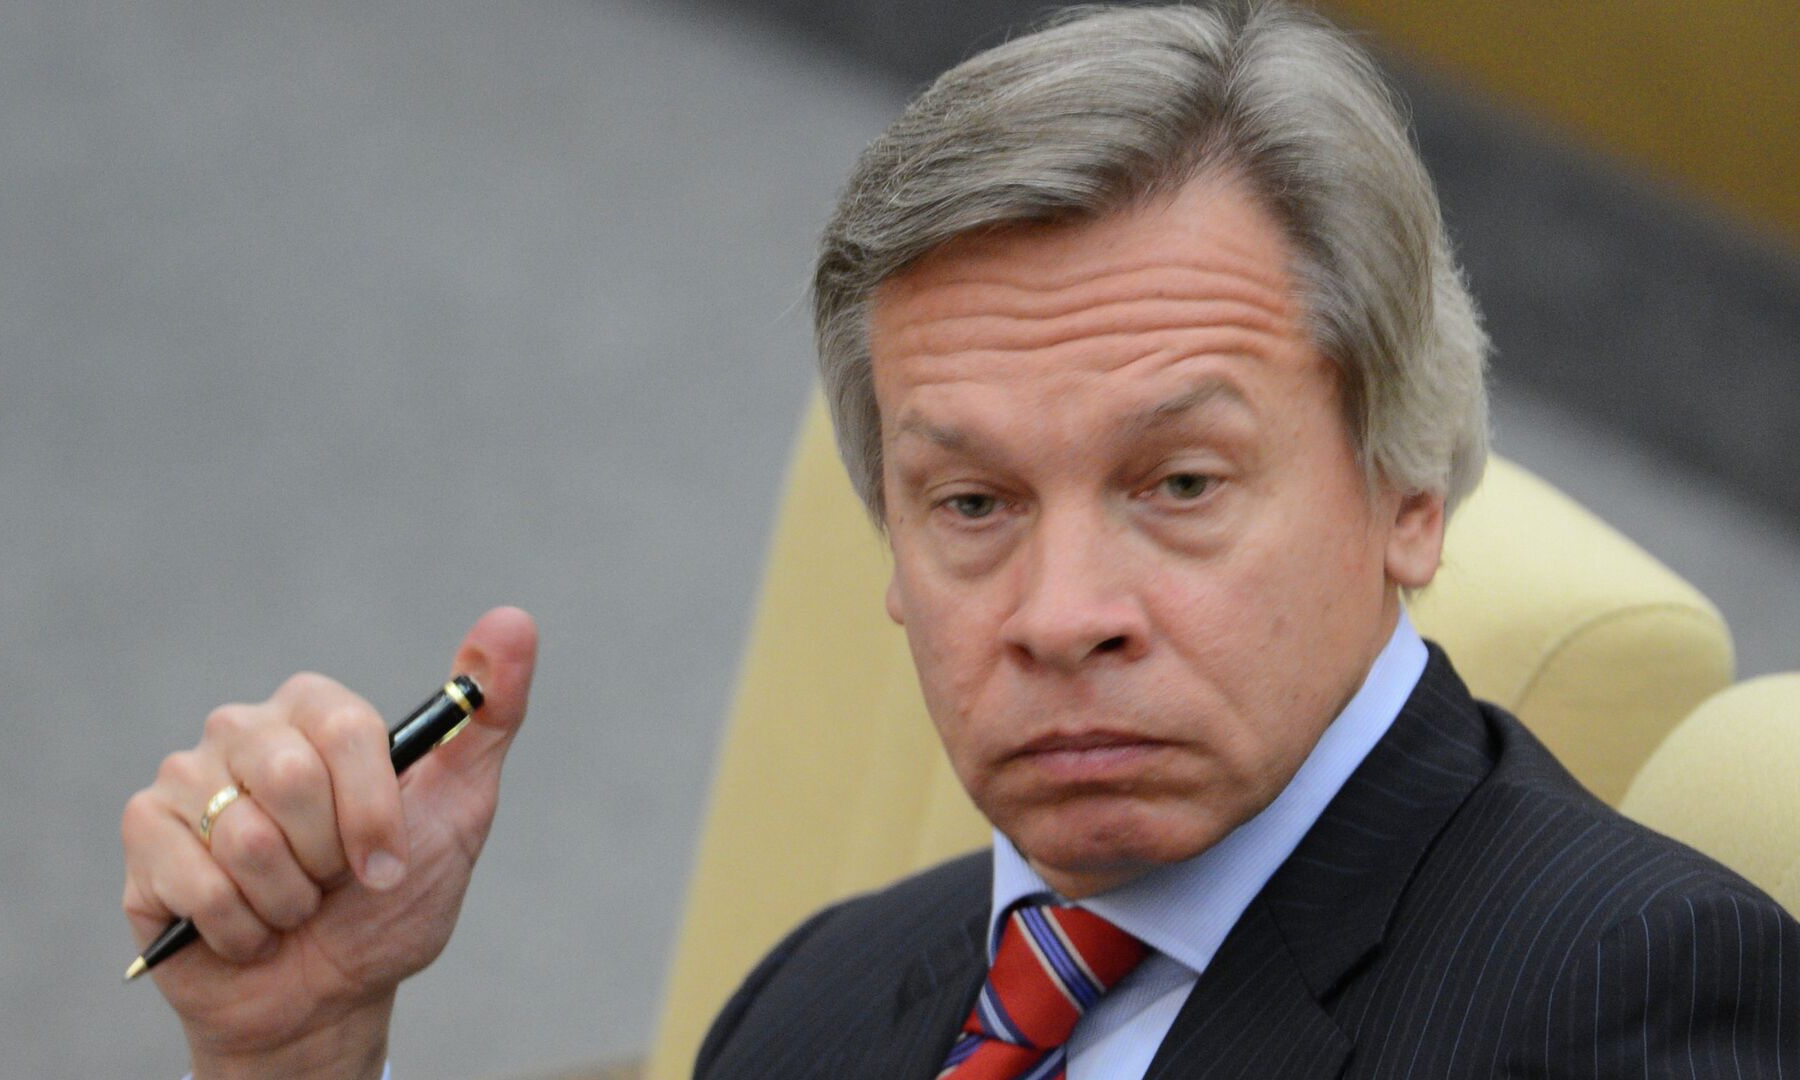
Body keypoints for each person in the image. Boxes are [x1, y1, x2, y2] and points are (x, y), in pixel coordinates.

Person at [120, 3, 1799, 1078]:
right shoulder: (818, 1005)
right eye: (975, 505)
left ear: (1408, 489)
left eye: (1180, 484)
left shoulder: (1631, 995)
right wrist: (300, 1055)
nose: (1060, 614)